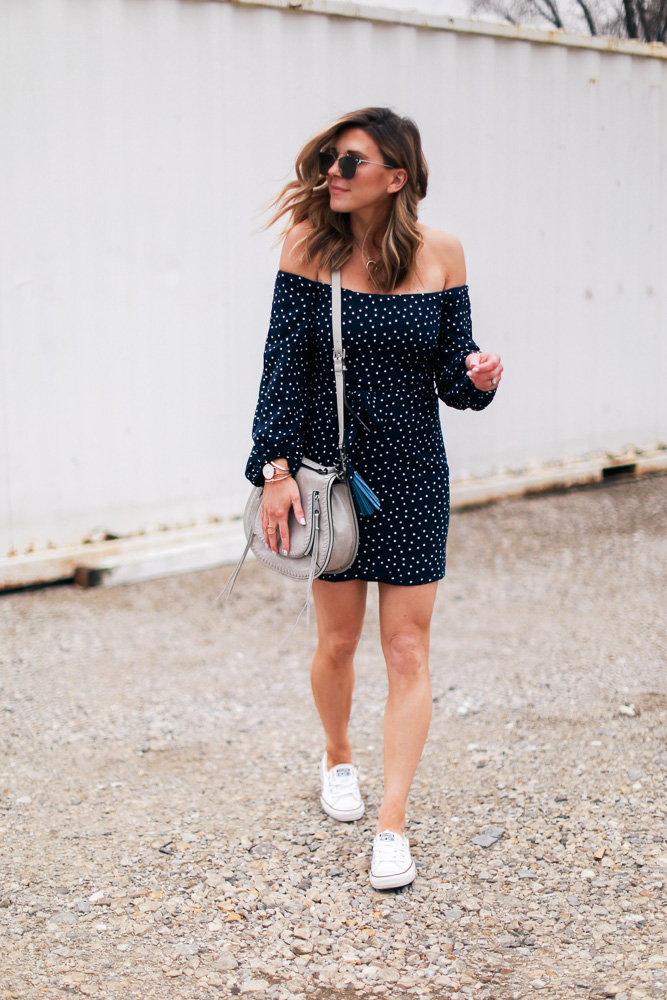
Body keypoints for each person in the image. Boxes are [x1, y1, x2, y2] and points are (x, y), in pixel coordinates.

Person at [245, 107, 502, 891]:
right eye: (328, 158)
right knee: (336, 644)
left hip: (416, 472)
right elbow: (282, 365)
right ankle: (337, 757)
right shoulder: (309, 250)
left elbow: (451, 376)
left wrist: (477, 379)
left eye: (349, 161)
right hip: (330, 474)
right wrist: (274, 469)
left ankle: (391, 824)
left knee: (407, 650)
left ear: (396, 177)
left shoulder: (443, 254)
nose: (332, 171)